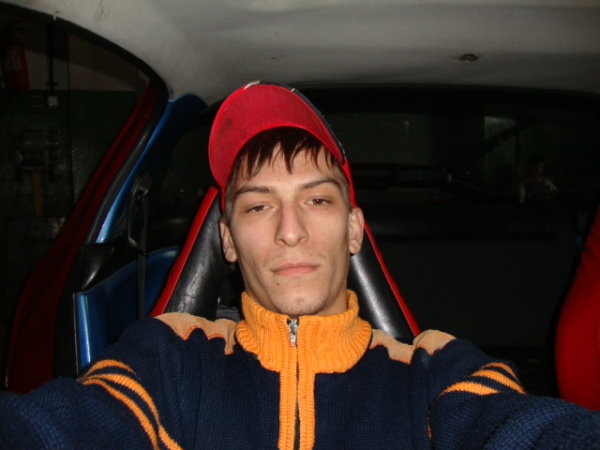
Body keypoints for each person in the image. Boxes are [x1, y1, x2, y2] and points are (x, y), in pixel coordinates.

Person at [1, 82, 599, 449]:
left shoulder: (433, 372)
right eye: (259, 205)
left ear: (355, 229)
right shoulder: (170, 359)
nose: (290, 230)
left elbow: (514, 426)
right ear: (228, 241)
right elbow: (67, 424)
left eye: (317, 200)